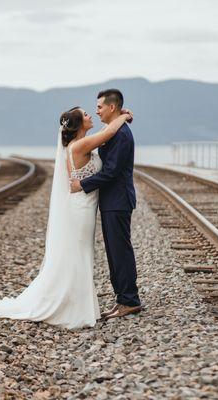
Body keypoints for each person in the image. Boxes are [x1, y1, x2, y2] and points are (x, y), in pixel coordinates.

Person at [0, 100, 133, 329]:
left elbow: (105, 132)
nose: (91, 114)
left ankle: (77, 302)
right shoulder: (78, 147)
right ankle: (73, 307)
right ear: (79, 123)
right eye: (85, 114)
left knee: (80, 254)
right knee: (78, 254)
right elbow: (110, 131)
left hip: (84, 206)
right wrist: (123, 116)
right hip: (81, 208)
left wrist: (118, 116)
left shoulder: (80, 142)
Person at [70, 89, 141, 319]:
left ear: (112, 107)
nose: (96, 110)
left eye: (99, 106)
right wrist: (124, 114)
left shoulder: (121, 135)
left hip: (118, 201)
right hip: (112, 201)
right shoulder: (114, 130)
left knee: (120, 252)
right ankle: (122, 299)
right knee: (114, 252)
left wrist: (83, 185)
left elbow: (111, 172)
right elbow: (106, 136)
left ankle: (129, 300)